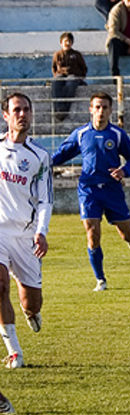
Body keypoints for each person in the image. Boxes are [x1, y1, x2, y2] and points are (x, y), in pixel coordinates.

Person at [52, 92, 130, 292]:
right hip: (88, 189)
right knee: (92, 232)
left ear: (110, 110)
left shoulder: (117, 135)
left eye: (105, 107)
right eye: (97, 107)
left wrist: (124, 171)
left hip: (112, 190)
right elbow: (62, 154)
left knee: (125, 234)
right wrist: (43, 163)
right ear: (91, 109)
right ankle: (100, 279)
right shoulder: (81, 134)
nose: (101, 111)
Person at [0, 93, 52, 370]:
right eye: (17, 110)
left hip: (26, 235)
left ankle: (30, 311)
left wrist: (41, 231)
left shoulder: (39, 156)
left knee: (32, 302)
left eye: (27, 110)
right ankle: (14, 353)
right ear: (6, 116)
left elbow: (45, 200)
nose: (22, 114)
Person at [51, 32, 88, 122]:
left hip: (73, 76)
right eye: (65, 41)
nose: (67, 43)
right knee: (55, 84)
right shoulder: (57, 54)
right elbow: (54, 68)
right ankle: (58, 109)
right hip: (61, 75)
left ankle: (64, 110)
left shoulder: (76, 54)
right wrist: (57, 75)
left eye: (69, 41)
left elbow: (83, 68)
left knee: (71, 84)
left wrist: (81, 77)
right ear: (61, 42)